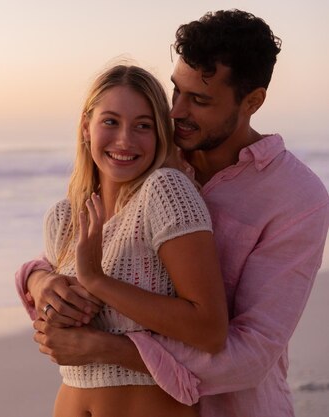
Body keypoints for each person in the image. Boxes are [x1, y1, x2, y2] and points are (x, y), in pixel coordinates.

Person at [16, 9, 329, 417]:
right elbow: (89, 244)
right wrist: (39, 280)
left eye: (199, 100)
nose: (177, 112)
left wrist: (105, 349)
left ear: (252, 101)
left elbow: (250, 355)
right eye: (176, 91)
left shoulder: (296, 197)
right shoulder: (153, 158)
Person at [28, 62, 229, 417]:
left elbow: (210, 329)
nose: (125, 140)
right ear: (86, 127)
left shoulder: (165, 192)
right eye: (110, 121)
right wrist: (49, 308)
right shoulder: (62, 218)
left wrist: (96, 281)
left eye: (143, 126)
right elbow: (64, 337)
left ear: (160, 136)